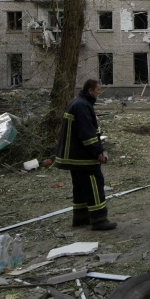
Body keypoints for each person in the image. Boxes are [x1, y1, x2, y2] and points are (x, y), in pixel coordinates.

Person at [55, 79, 116, 230]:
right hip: (82, 156)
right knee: (94, 183)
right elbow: (87, 133)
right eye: (98, 90)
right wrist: (98, 152)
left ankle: (81, 216)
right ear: (90, 90)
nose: (99, 93)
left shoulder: (76, 102)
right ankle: (99, 219)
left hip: (73, 156)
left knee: (80, 186)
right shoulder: (82, 106)